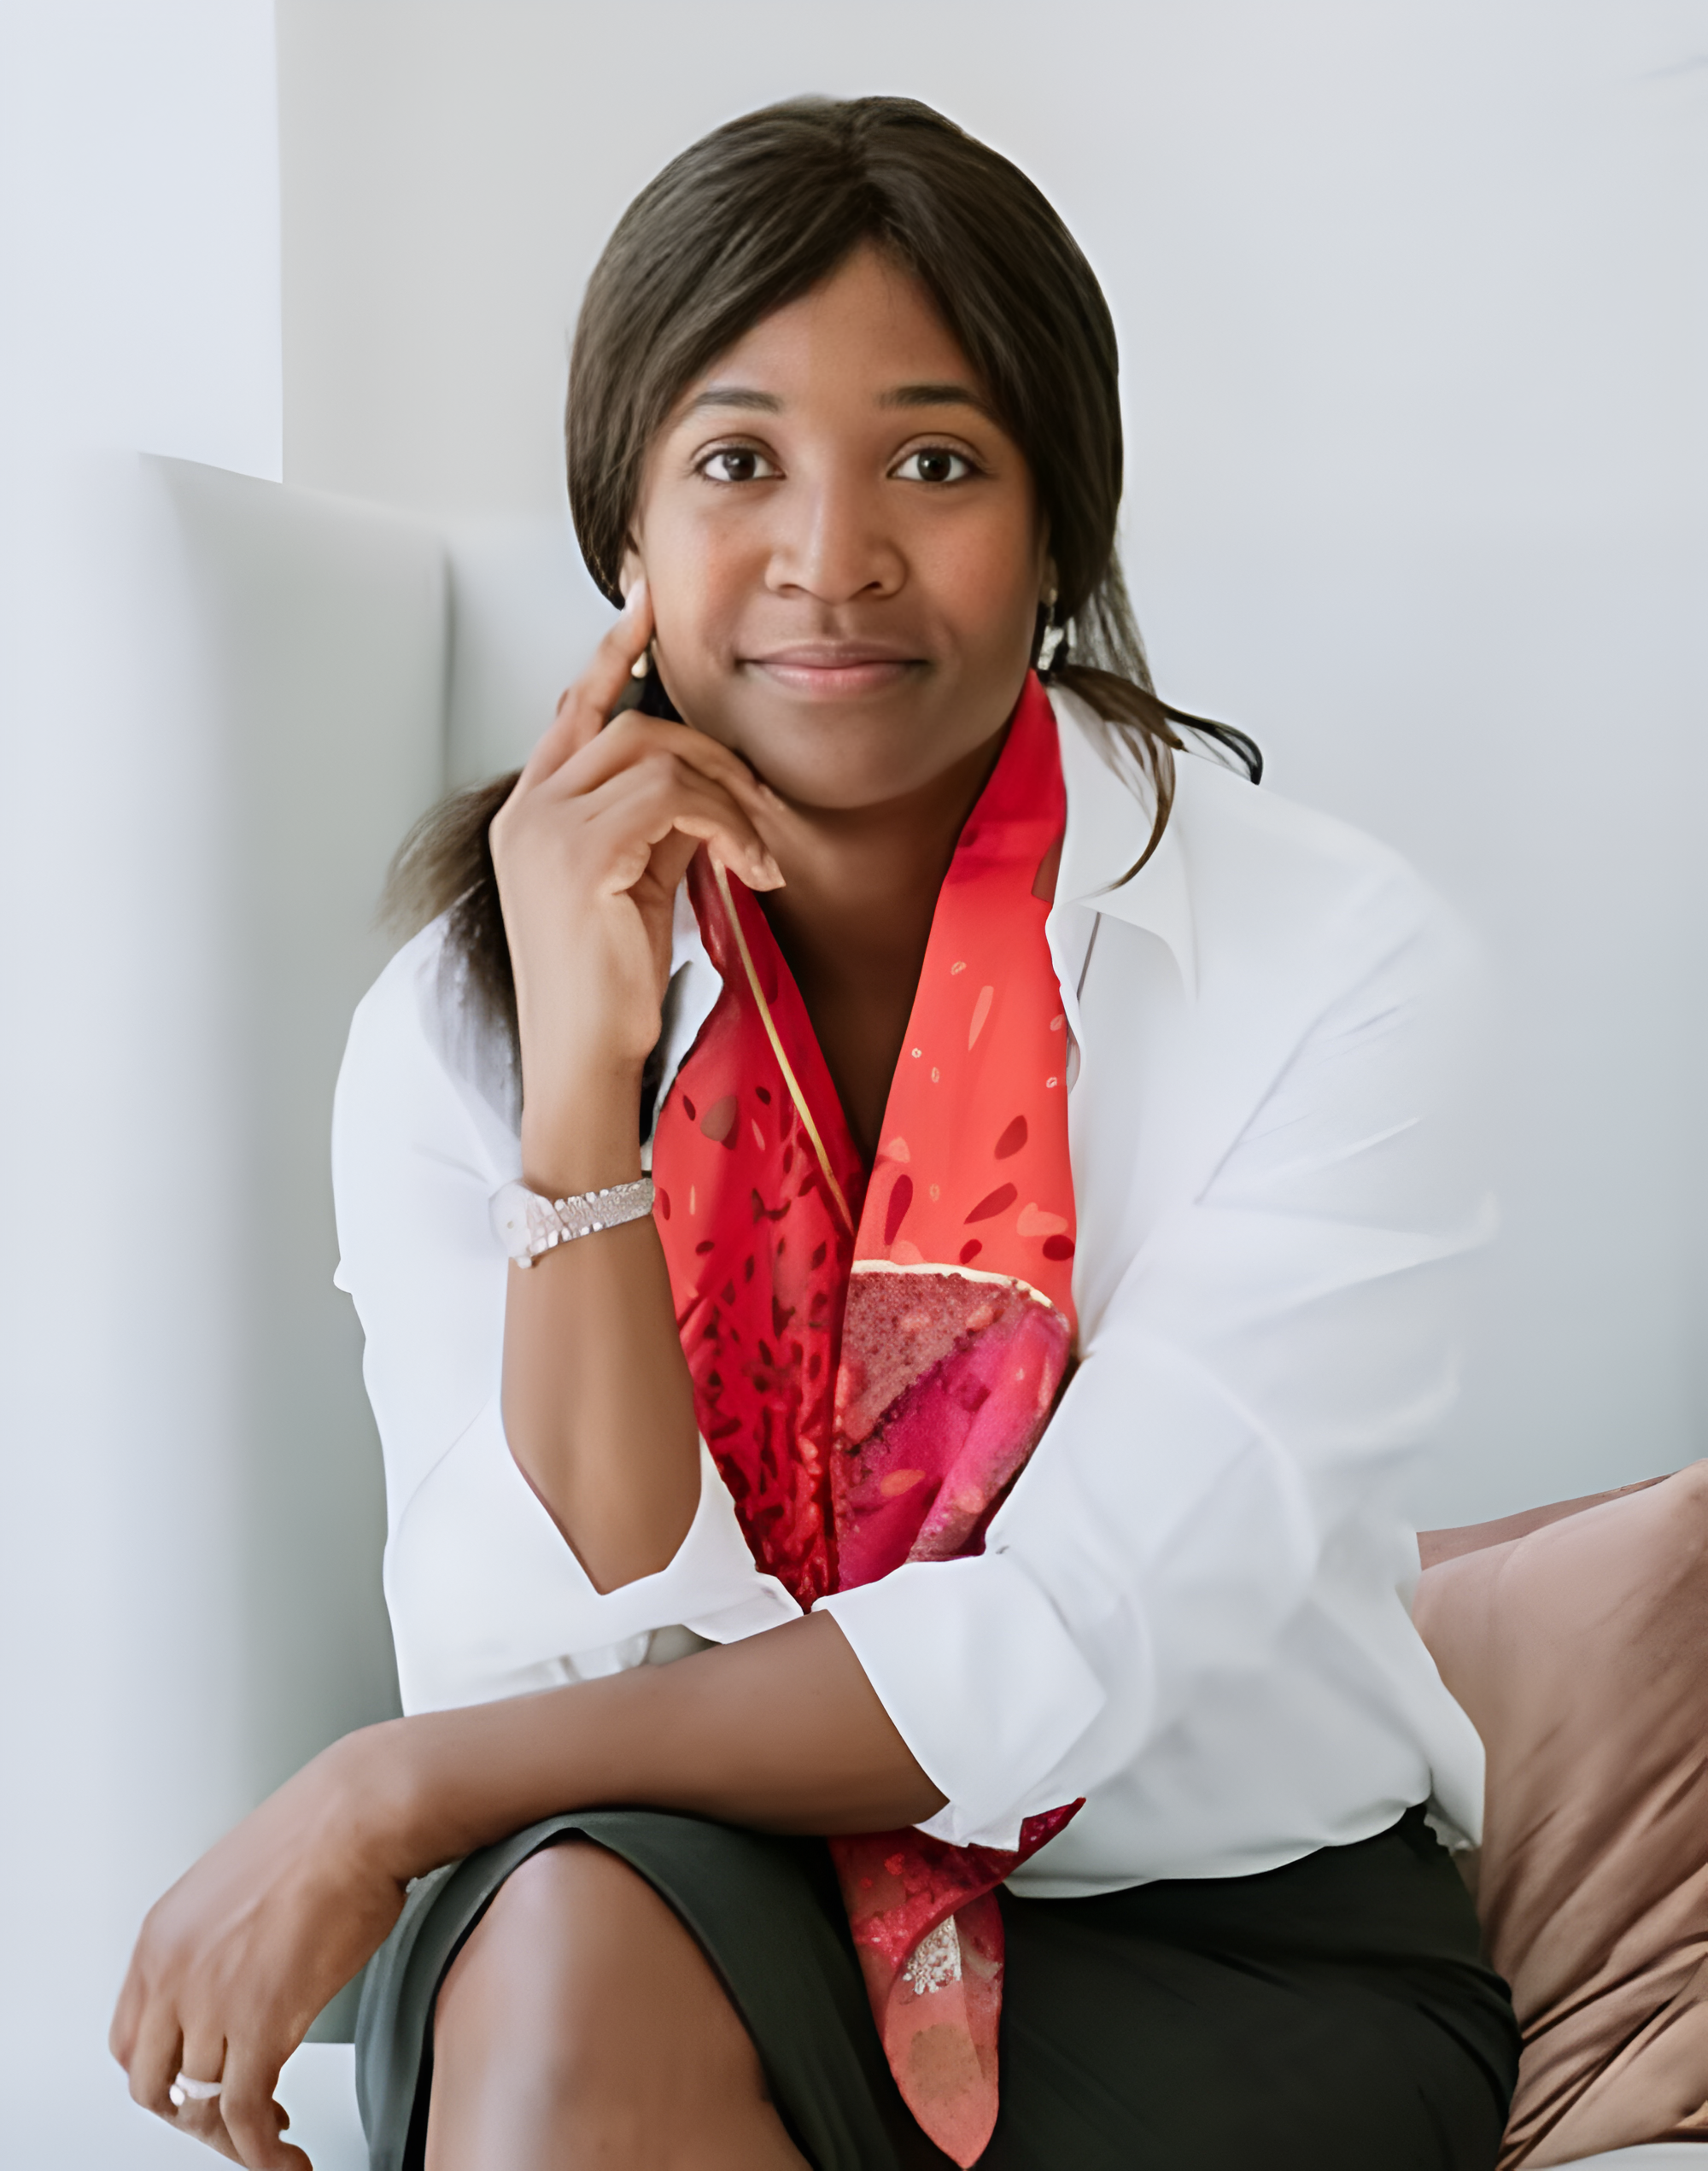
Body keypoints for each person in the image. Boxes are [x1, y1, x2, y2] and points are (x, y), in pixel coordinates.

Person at [111, 95, 1518, 2171]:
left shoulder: (1331, 959)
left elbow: (1060, 1654)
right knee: (580, 1927)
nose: (831, 559)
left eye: (934, 464)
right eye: (736, 461)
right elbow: (568, 1645)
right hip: (670, 1894)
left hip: (1210, 1938)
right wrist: (580, 1103)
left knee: (577, 1900)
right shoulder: (459, 1014)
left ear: (1060, 532)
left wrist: (385, 1787)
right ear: (623, 536)